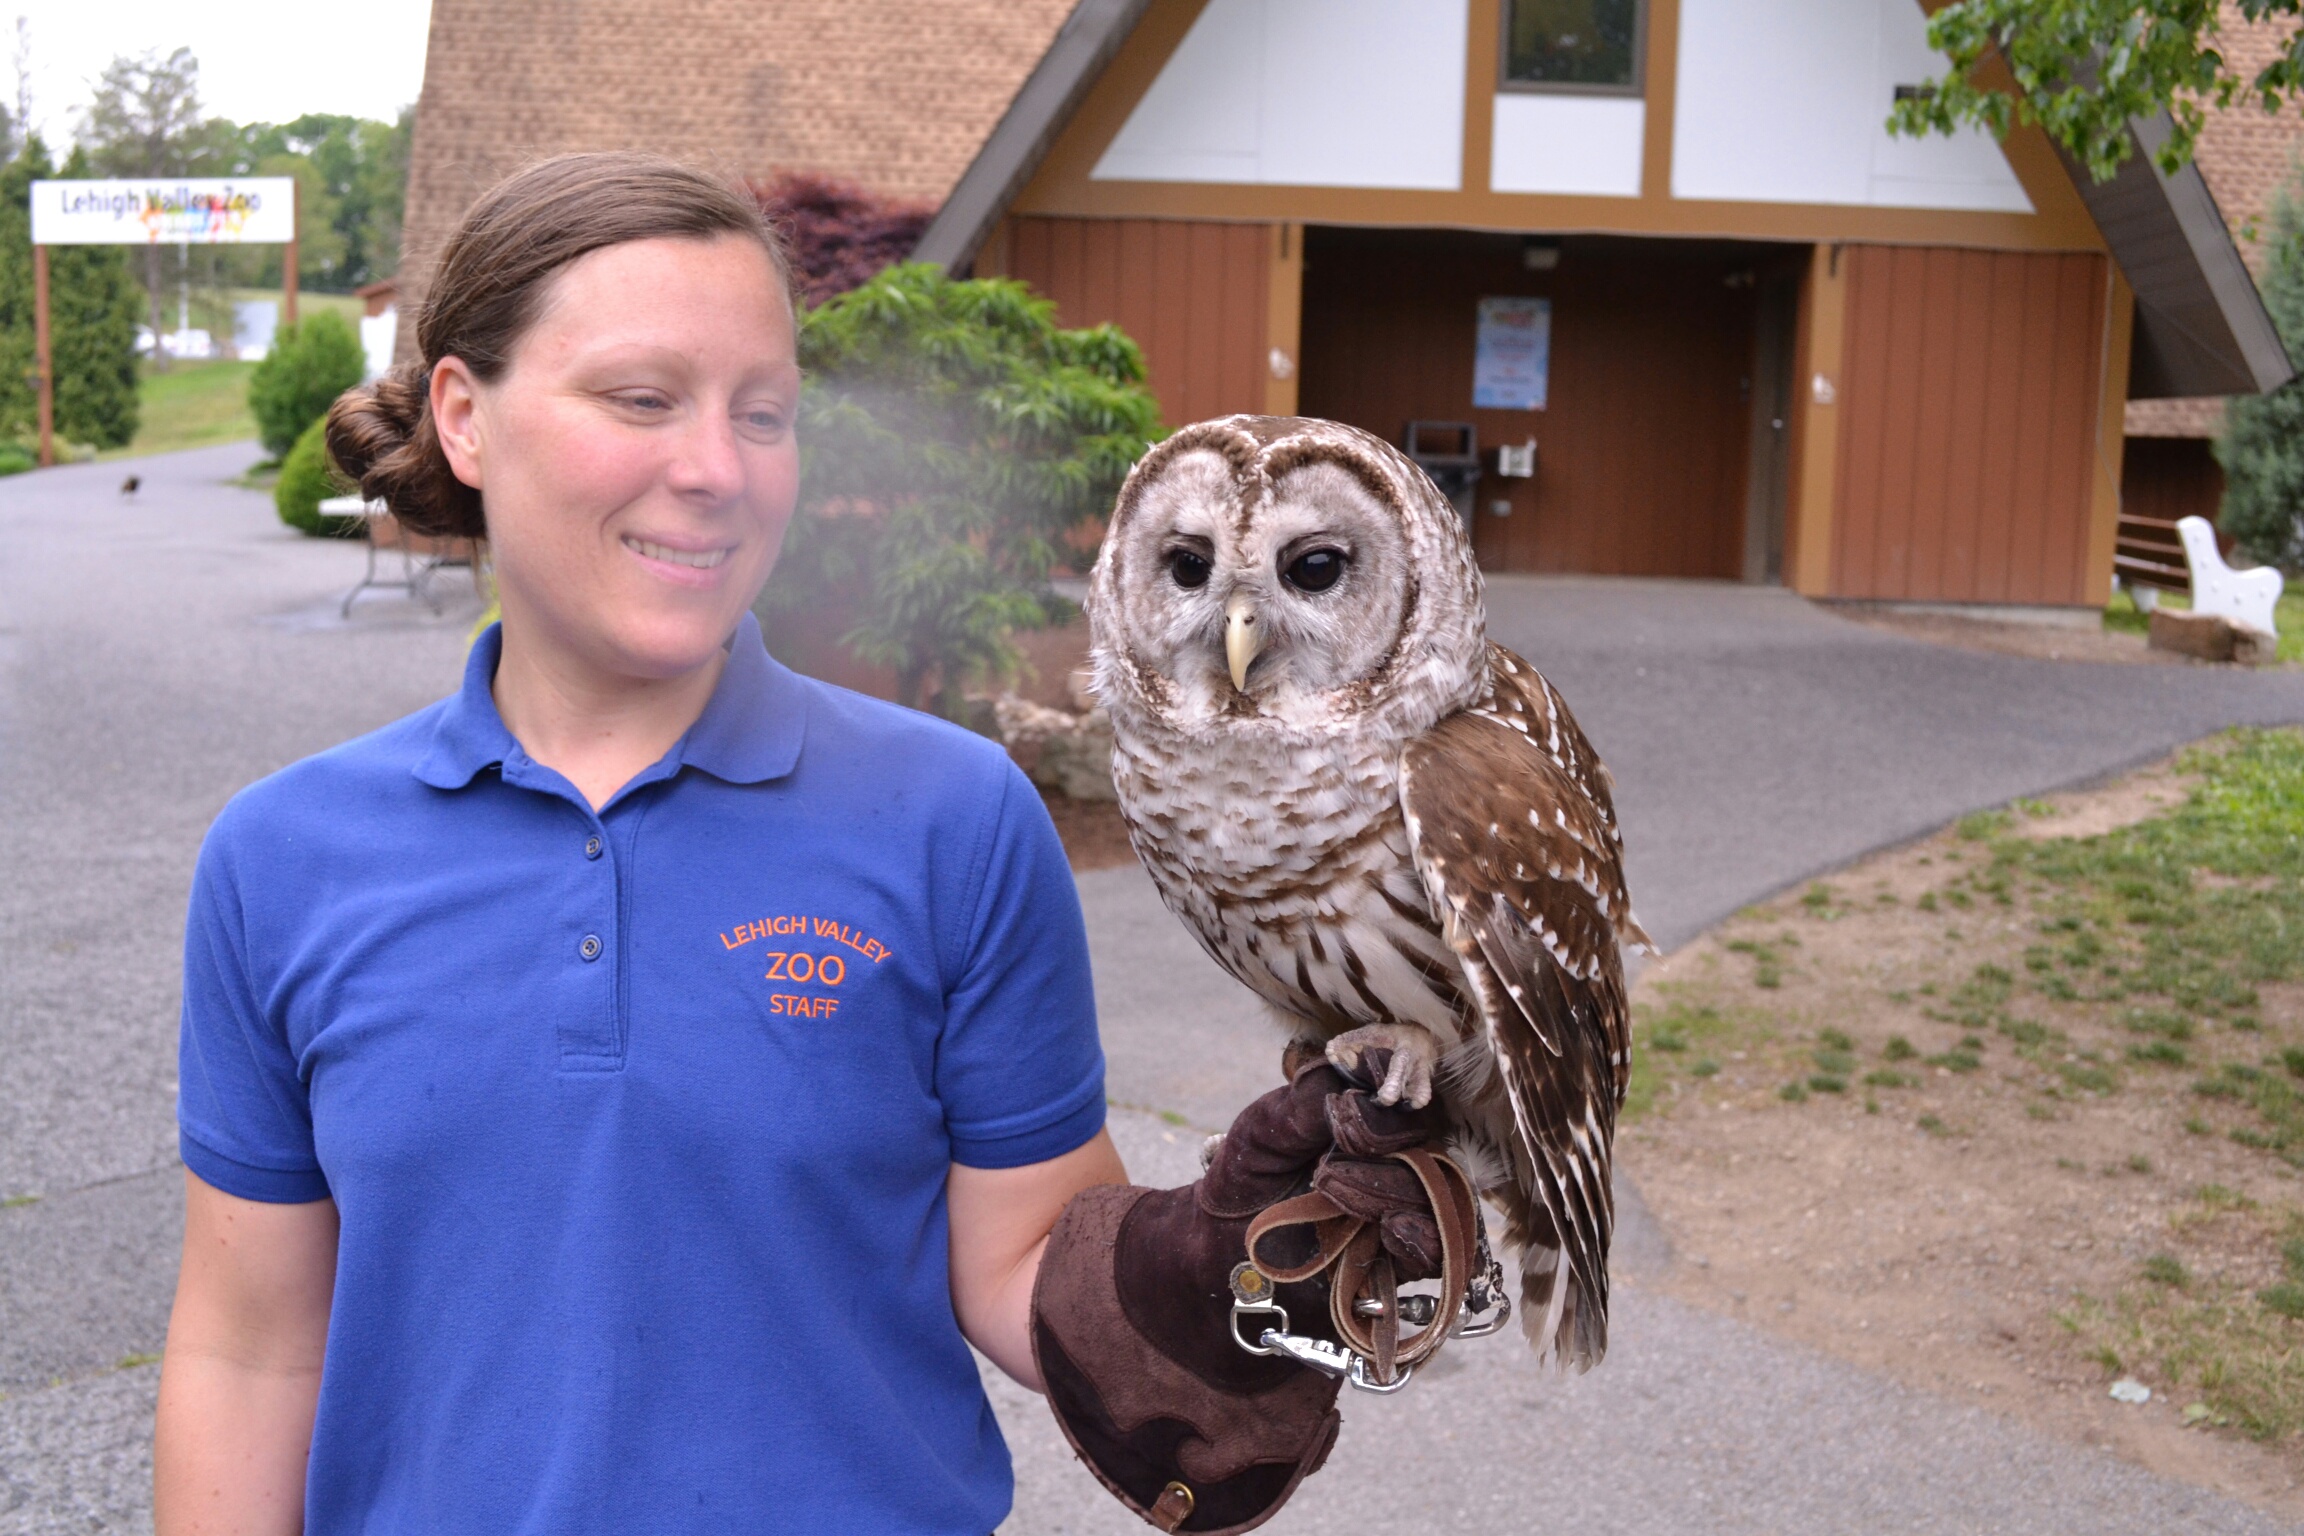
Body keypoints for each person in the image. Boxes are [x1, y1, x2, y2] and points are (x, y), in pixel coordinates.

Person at [156, 152, 1455, 1535]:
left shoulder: (954, 820)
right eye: (642, 398)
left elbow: (1018, 1257)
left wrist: (1217, 1282)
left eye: (763, 412)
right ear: (467, 420)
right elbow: (248, 1352)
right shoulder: (285, 858)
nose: (716, 468)